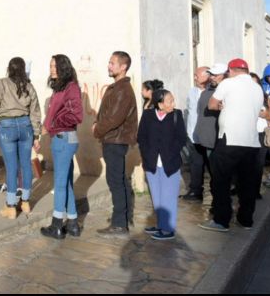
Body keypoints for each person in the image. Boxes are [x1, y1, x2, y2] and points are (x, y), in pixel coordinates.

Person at [199, 59, 264, 232]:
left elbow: (212, 104)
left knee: (221, 181)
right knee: (247, 183)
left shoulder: (228, 83)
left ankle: (221, 220)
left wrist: (224, 106)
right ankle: (246, 219)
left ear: (231, 70)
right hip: (251, 141)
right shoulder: (257, 88)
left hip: (230, 139)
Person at [0, 57, 42, 220]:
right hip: (26, 126)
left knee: (11, 167)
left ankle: (10, 206)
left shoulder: (0, 84)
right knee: (25, 165)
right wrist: (37, 133)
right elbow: (35, 111)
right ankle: (25, 202)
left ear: (9, 68)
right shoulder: (29, 86)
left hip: (7, 126)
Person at [92, 51, 138, 239]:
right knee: (120, 180)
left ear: (123, 67)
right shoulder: (117, 87)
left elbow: (114, 118)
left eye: (112, 63)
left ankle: (119, 224)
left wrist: (97, 129)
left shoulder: (122, 90)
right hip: (113, 139)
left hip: (115, 140)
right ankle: (124, 219)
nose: (109, 66)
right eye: (109, 63)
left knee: (116, 181)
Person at [40, 55, 84, 240]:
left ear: (63, 67)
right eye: (50, 65)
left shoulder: (71, 87)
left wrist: (53, 124)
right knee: (65, 182)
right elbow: (53, 113)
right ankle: (72, 223)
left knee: (59, 183)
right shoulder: (60, 88)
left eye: (55, 66)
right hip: (60, 138)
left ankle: (57, 225)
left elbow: (77, 115)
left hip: (64, 138)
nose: (51, 69)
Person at [138, 89, 187, 241]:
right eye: (169, 101)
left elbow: (181, 138)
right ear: (159, 104)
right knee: (157, 197)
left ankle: (168, 229)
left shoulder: (176, 115)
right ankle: (160, 224)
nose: (173, 104)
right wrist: (146, 154)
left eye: (173, 100)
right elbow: (141, 137)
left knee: (169, 197)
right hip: (152, 163)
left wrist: (171, 152)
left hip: (170, 163)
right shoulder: (147, 115)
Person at [180, 66, 212, 201]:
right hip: (193, 135)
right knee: (195, 164)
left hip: (209, 136)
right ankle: (195, 191)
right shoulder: (192, 92)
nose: (194, 78)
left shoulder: (214, 92)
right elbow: (189, 112)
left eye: (197, 75)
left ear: (207, 76)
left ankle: (217, 194)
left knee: (212, 166)